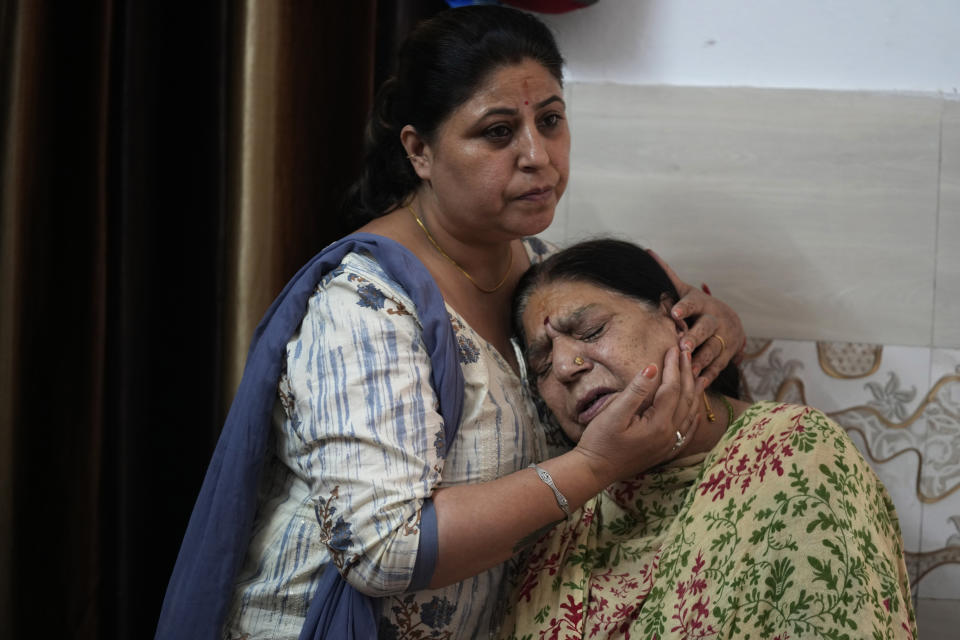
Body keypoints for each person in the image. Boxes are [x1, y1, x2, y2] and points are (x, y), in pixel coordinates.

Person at [155, 7, 746, 639]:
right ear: (419, 150)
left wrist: (710, 340)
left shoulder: (546, 282)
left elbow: (641, 418)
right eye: (497, 133)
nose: (536, 156)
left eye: (550, 120)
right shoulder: (365, 303)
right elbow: (385, 547)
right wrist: (594, 468)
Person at [501, 238, 916, 639]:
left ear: (676, 318)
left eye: (591, 331)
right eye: (541, 365)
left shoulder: (798, 455)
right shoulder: (567, 509)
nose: (563, 367)